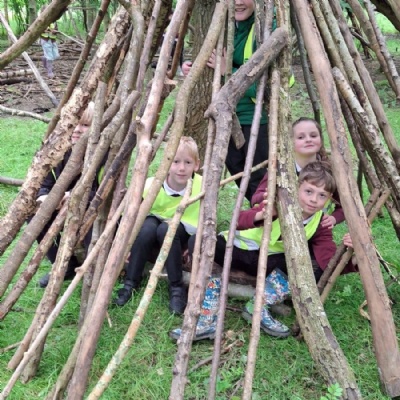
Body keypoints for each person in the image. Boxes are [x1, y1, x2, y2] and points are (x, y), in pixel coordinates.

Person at [169, 161, 356, 341]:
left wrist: (351, 256)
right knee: (199, 241)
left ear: (329, 199)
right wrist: (262, 214)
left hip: (267, 263)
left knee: (311, 266)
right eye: (308, 191)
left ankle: (258, 306)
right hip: (236, 251)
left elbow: (327, 260)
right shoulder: (279, 203)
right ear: (297, 187)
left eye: (322, 195)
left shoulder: (320, 223)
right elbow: (238, 219)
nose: (314, 200)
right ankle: (207, 317)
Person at [183, 0, 269, 201]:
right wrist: (193, 67)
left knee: (259, 179)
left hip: (257, 119)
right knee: (239, 172)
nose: (238, 2)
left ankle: (265, 217)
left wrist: (227, 70)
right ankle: (257, 214)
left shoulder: (264, 28)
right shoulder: (227, 26)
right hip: (226, 117)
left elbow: (268, 88)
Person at [113, 137, 202, 315]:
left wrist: (193, 245)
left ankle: (176, 288)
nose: (182, 168)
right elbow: (132, 216)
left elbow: (206, 220)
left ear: (196, 165)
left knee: (166, 229)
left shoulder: (202, 186)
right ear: (167, 163)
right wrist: (128, 243)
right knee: (146, 229)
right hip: (153, 221)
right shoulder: (152, 185)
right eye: (175, 162)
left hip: (182, 228)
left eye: (187, 162)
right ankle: (131, 281)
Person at [32, 102, 96, 288]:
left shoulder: (102, 153)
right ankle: (63, 265)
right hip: (62, 205)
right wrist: (45, 197)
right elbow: (44, 183)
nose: (77, 129)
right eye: (75, 123)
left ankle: (91, 269)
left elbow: (103, 190)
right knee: (34, 216)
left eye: (85, 125)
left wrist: (73, 195)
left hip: (90, 206)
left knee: (92, 225)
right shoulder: (59, 150)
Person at [252, 117, 345, 230]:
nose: (308, 140)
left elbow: (345, 205)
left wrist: (334, 218)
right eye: (301, 137)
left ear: (321, 139)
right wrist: (270, 196)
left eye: (313, 136)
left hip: (313, 232)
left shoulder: (330, 171)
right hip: (280, 231)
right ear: (291, 142)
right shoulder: (280, 169)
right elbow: (255, 199)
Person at [40, 6, 60, 79]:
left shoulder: (54, 20)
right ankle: (49, 72)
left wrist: (55, 31)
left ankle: (44, 58)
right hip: (45, 40)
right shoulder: (41, 20)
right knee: (49, 57)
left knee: (56, 55)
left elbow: (56, 29)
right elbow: (38, 29)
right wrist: (45, 30)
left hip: (53, 40)